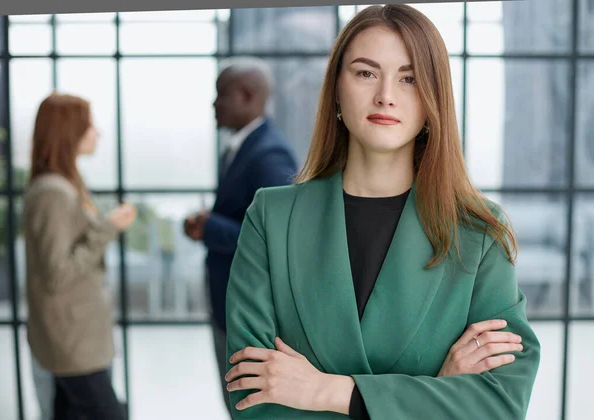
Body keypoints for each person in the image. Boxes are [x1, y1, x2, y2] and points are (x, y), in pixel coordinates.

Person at [224, 4, 540, 419]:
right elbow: (253, 401)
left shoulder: (479, 230)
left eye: (409, 78)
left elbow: (500, 403)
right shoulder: (271, 217)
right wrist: (437, 394)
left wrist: (328, 392)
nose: (385, 95)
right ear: (336, 87)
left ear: (433, 99)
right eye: (365, 72)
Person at [183, 57, 298, 413]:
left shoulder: (270, 153)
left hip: (246, 309)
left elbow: (277, 239)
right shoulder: (245, 145)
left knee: (244, 406)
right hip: (229, 302)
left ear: (247, 96)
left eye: (221, 94)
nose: (214, 104)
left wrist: (210, 227)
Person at [23, 92, 135, 419]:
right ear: (68, 132)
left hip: (75, 337)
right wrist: (107, 228)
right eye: (88, 125)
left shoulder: (63, 185)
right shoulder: (52, 192)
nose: (97, 132)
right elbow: (58, 273)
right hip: (73, 343)